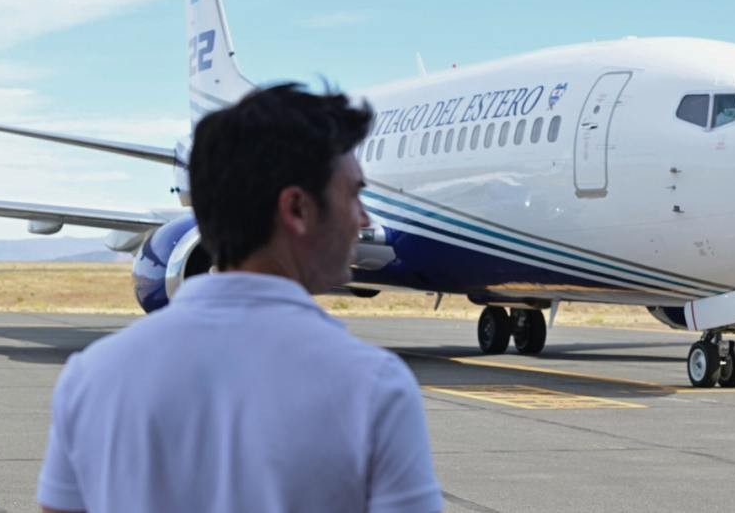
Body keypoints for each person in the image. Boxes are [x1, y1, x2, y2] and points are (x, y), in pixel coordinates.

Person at [37, 83, 442, 513]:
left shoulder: (91, 377)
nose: (363, 217)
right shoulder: (374, 388)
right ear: (297, 209)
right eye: (354, 195)